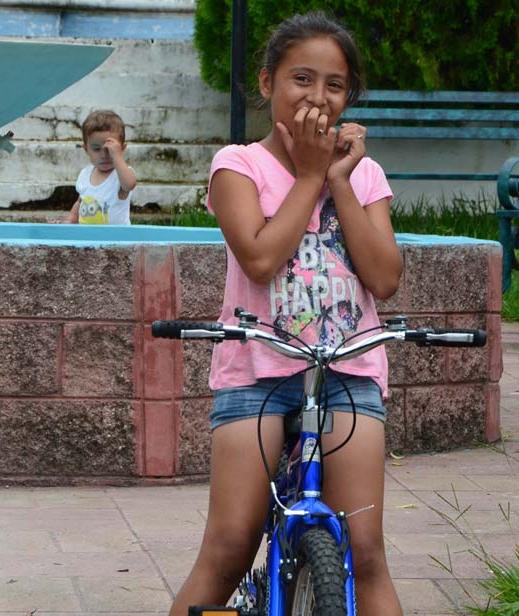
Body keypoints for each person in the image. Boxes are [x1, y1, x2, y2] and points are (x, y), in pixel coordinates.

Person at [168, 11, 404, 616]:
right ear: (268, 81)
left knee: (367, 551)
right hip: (257, 375)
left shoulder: (366, 174)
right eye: (302, 78)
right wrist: (306, 175)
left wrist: (340, 182)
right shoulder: (237, 165)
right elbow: (259, 259)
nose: (318, 97)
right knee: (228, 546)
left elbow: (384, 277)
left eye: (334, 84)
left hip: (349, 372)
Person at [58, 109, 136, 225]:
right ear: (86, 149)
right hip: (87, 238)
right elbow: (80, 201)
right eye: (96, 149)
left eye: (109, 150)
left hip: (116, 239)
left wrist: (117, 157)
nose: (104, 155)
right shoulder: (85, 174)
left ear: (122, 149)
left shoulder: (120, 175)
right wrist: (70, 220)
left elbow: (129, 184)